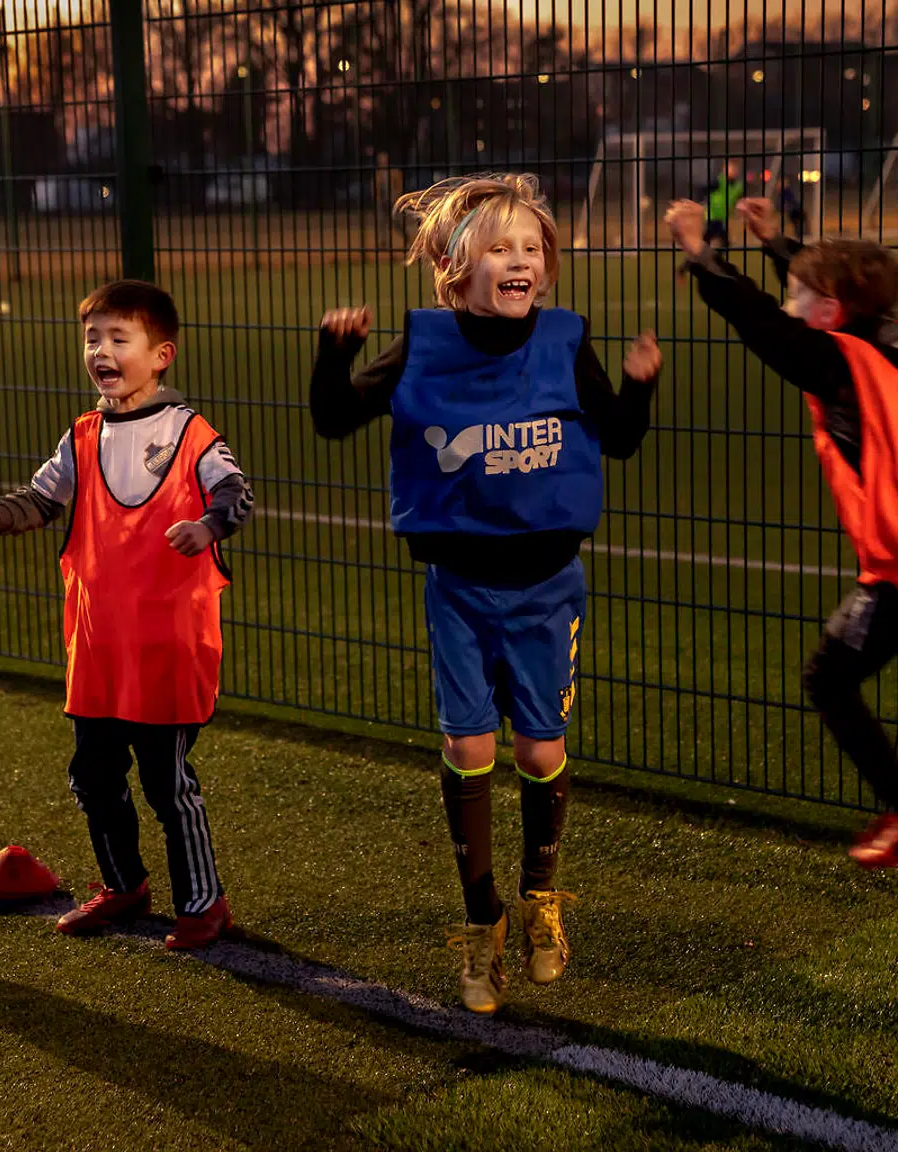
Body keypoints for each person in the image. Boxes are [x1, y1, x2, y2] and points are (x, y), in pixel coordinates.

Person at [312, 173, 661, 1014]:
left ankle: (540, 898)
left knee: (539, 754)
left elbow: (618, 439)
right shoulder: (423, 346)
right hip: (461, 589)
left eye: (531, 248)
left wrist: (640, 386)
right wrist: (334, 355)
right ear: (455, 268)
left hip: (548, 589)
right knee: (469, 748)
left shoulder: (564, 342)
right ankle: (482, 920)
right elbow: (334, 418)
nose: (520, 260)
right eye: (500, 248)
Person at [663, 195, 898, 868]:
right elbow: (820, 305)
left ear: (827, 312)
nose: (787, 302)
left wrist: (701, 252)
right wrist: (776, 244)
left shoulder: (837, 361)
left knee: (830, 680)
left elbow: (759, 320)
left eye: (797, 293)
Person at [0, 279, 252, 951]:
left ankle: (204, 903)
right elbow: (44, 499)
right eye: (92, 338)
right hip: (97, 649)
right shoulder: (82, 435)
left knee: (165, 781)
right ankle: (124, 886)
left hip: (168, 648)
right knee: (93, 775)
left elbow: (236, 496)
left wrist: (207, 527)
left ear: (161, 355)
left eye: (119, 338)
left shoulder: (189, 433)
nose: (101, 350)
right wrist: (2, 514)